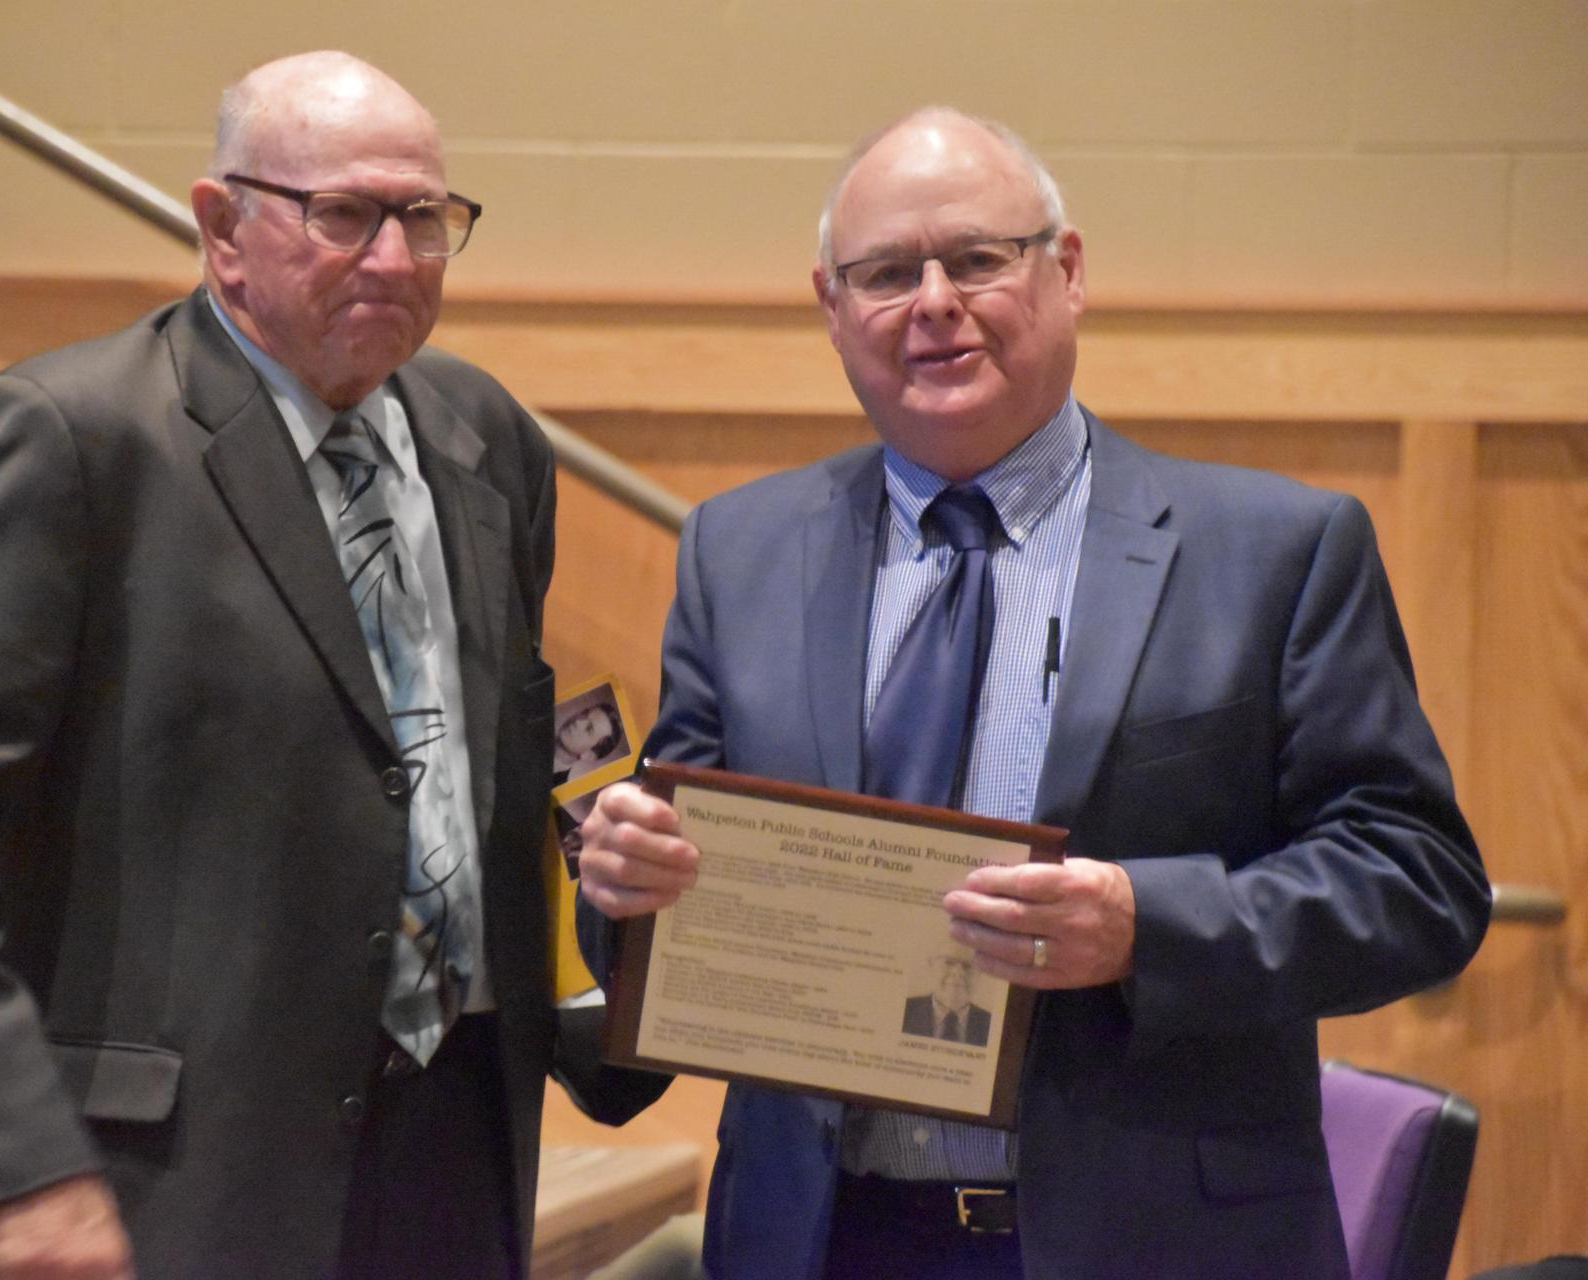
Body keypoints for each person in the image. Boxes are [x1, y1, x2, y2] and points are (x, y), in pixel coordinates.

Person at [576, 106, 1489, 1280]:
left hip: (1153, 1240)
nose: (935, 301)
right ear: (832, 305)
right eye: (888, 273)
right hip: (818, 1237)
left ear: (1065, 271)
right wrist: (623, 880)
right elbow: (662, 908)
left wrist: (1141, 923)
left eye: (977, 258)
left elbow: (1420, 883)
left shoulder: (1274, 550)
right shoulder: (739, 553)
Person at [0, 51, 657, 1280]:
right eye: (345, 215)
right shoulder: (76, 440)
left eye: (425, 218)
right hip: (172, 1180)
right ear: (222, 227)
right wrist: (15, 1161)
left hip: (457, 1147)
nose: (397, 260)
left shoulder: (489, 439)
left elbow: (505, 775)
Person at [902, 952, 990, 1047]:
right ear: (930, 967)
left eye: (968, 965)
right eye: (948, 962)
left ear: (980, 974)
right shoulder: (904, 1011)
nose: (958, 973)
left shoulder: (991, 1025)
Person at [551, 700, 626, 786]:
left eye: (589, 729)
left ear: (589, 754)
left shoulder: (556, 786)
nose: (578, 722)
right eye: (584, 714)